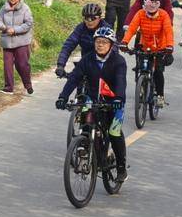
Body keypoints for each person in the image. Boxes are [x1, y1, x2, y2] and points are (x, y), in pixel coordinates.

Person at [55, 27, 128, 182]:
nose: (100, 45)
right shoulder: (87, 59)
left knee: (114, 132)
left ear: (111, 45)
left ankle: (121, 167)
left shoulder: (119, 61)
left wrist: (118, 99)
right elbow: (74, 79)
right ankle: (85, 147)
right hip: (92, 99)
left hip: (113, 101)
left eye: (104, 42)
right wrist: (63, 97)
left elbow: (121, 82)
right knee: (86, 123)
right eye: (97, 41)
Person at [122, 0, 175, 107]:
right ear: (145, 2)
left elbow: (168, 31)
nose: (152, 4)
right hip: (145, 46)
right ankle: (142, 86)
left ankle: (160, 95)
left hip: (161, 48)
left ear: (159, 3)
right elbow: (132, 29)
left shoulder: (164, 15)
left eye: (156, 2)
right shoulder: (140, 14)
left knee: (158, 71)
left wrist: (170, 46)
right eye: (150, 2)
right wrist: (124, 42)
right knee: (141, 67)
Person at [0, 0, 34, 95]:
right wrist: (4, 28)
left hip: (22, 41)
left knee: (22, 65)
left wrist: (15, 30)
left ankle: (28, 84)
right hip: (7, 42)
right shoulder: (4, 8)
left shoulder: (25, 8)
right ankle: (8, 88)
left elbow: (28, 23)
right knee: (7, 66)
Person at [54, 3, 110, 78]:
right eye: (86, 18)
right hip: (86, 62)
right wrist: (60, 65)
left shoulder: (106, 28)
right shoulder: (80, 28)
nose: (89, 21)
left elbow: (113, 49)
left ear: (99, 18)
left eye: (93, 18)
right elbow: (68, 46)